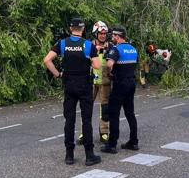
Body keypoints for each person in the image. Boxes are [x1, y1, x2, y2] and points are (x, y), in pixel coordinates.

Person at [43, 17, 102, 166]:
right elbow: (96, 65)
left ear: (71, 28)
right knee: (86, 120)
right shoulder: (88, 45)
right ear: (82, 29)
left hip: (69, 85)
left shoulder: (62, 44)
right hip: (84, 85)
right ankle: (89, 155)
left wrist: (57, 74)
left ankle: (69, 155)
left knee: (69, 120)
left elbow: (47, 60)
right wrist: (92, 56)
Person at [101, 26, 139, 154]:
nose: (112, 38)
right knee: (130, 113)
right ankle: (134, 142)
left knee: (114, 114)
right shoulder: (133, 49)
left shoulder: (116, 49)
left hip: (120, 84)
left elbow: (109, 64)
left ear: (117, 36)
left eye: (113, 36)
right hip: (131, 83)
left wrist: (109, 73)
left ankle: (111, 145)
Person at [78, 21, 111, 145]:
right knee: (86, 107)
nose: (103, 36)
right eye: (100, 33)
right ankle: (84, 133)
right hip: (90, 81)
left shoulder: (111, 46)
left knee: (105, 108)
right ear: (95, 34)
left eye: (104, 33)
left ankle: (104, 132)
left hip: (105, 81)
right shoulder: (87, 46)